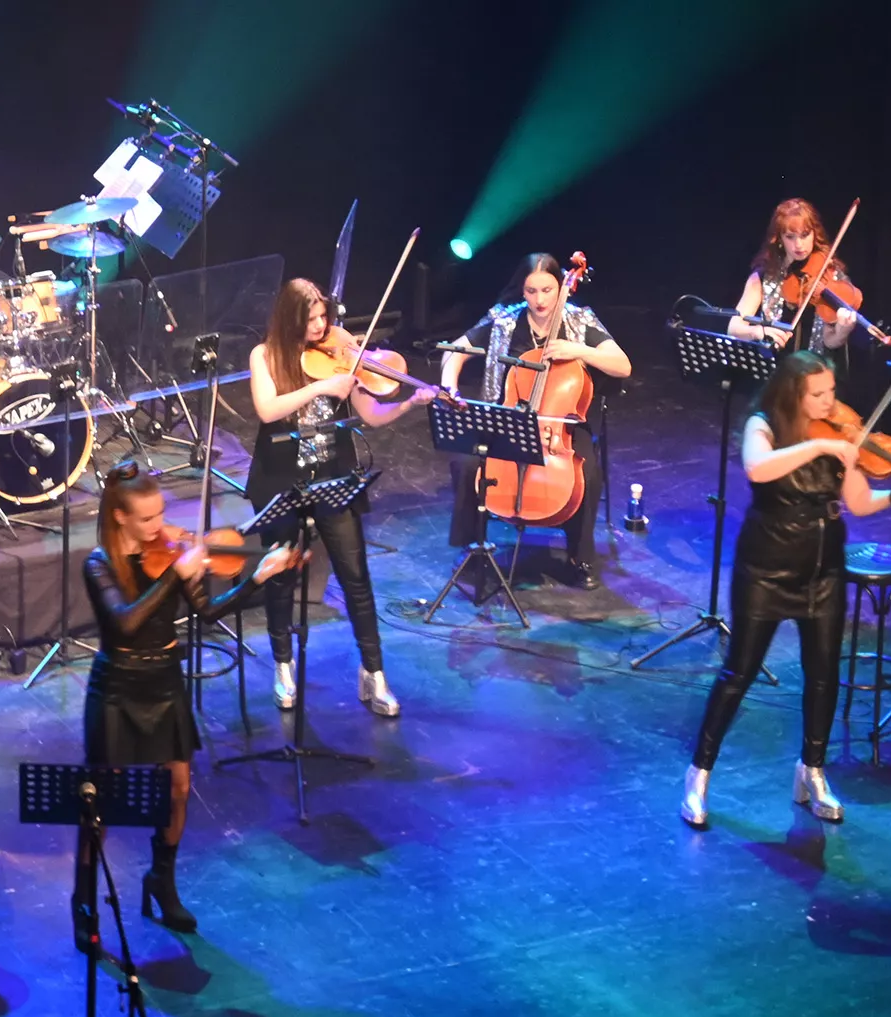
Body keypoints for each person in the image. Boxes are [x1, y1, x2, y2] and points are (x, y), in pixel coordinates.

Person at [681, 352, 891, 829]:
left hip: (823, 573)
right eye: (818, 394)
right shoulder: (765, 425)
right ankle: (699, 775)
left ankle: (811, 773)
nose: (829, 402)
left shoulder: (838, 438)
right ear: (794, 393)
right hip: (766, 571)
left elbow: (858, 501)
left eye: (831, 393)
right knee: (739, 673)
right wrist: (820, 449)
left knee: (823, 676)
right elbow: (758, 469)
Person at [84, 461, 300, 941]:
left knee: (178, 788)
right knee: (103, 801)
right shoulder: (98, 564)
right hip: (118, 686)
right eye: (147, 519)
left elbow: (210, 612)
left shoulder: (170, 553)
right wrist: (173, 577)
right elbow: (124, 623)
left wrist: (258, 577)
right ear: (120, 517)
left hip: (163, 681)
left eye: (161, 513)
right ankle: (84, 900)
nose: (160, 526)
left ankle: (161, 880)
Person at [247, 278, 433, 715]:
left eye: (323, 316)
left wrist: (408, 404)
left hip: (333, 475)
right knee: (281, 576)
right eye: (309, 318)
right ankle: (283, 665)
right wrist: (320, 389)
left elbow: (370, 412)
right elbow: (268, 409)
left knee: (356, 577)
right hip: (281, 477)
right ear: (290, 317)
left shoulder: (342, 346)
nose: (319, 325)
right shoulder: (266, 355)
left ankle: (374, 673)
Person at [439, 253, 633, 588]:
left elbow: (623, 365)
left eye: (547, 290)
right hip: (512, 417)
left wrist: (580, 352)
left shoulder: (579, 320)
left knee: (586, 473)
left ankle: (579, 555)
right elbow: (456, 349)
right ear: (522, 290)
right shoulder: (504, 320)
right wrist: (449, 385)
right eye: (531, 291)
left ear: (561, 287)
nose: (540, 300)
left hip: (563, 424)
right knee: (469, 462)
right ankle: (472, 545)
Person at [725, 198, 860, 355]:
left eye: (805, 235)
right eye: (790, 237)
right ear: (780, 238)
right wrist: (758, 332)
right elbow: (733, 328)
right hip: (775, 368)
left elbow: (830, 341)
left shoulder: (830, 275)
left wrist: (842, 331)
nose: (799, 244)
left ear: (814, 234)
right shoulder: (762, 276)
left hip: (812, 370)